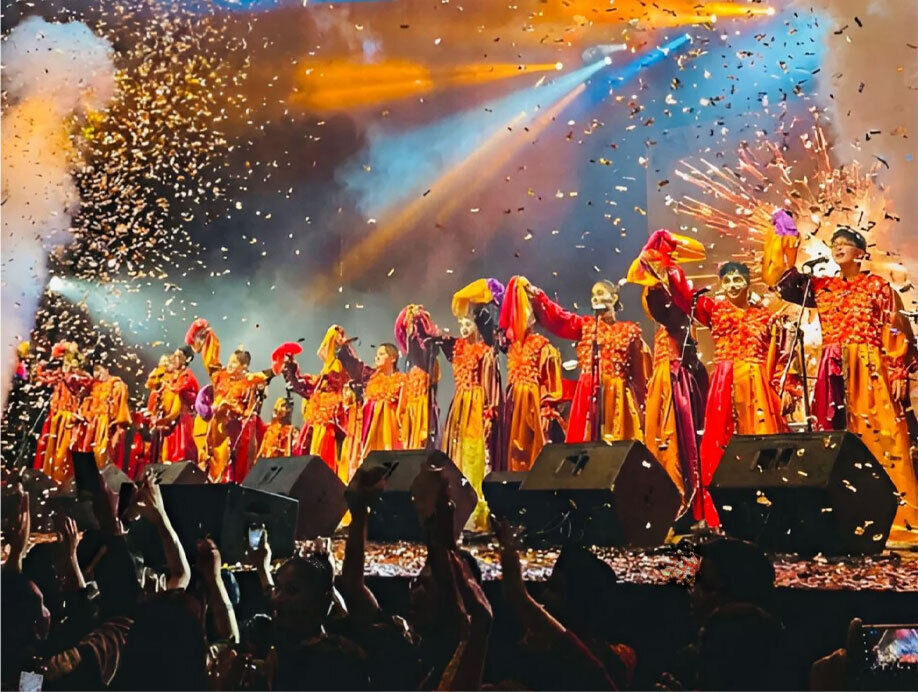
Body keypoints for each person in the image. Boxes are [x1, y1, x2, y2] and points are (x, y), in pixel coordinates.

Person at [765, 217, 918, 544]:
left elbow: (893, 326)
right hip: (831, 369)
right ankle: (840, 516)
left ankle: (897, 519)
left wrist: (898, 370)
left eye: (845, 241)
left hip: (869, 366)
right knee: (833, 439)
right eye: (834, 242)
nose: (837, 245)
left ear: (861, 252)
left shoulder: (877, 285)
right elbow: (784, 284)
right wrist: (785, 243)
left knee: (881, 436)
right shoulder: (824, 286)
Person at [649, 248, 798, 526]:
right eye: (727, 280)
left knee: (762, 443)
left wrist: (787, 386)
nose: (732, 285)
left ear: (748, 282)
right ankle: (720, 514)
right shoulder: (714, 310)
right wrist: (671, 266)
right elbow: (683, 295)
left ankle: (771, 515)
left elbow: (780, 355)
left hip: (756, 385)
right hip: (724, 382)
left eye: (737, 280)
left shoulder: (765, 317)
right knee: (719, 444)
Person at [627, 229, 709, 513]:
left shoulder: (681, 310)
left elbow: (666, 309)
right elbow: (657, 305)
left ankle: (683, 501)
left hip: (678, 381)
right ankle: (663, 503)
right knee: (659, 439)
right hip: (662, 381)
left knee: (677, 438)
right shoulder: (662, 308)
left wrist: (667, 275)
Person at [529, 278, 652, 444]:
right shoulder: (585, 326)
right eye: (593, 295)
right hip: (588, 395)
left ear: (614, 297)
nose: (595, 298)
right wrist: (538, 296)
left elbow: (640, 376)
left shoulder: (630, 332)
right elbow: (561, 319)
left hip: (616, 398)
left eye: (600, 293)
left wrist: (644, 412)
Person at [439, 279, 504, 531]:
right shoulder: (458, 352)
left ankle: (477, 513)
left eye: (468, 323)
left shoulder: (485, 353)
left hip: (476, 404)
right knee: (457, 454)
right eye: (461, 324)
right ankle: (455, 508)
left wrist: (489, 412)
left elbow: (491, 385)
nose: (464, 328)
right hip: (460, 407)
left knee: (475, 456)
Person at [186, 318, 271, 482]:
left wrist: (233, 409)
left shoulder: (249, 383)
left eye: (234, 363)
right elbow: (211, 361)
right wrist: (209, 336)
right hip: (216, 428)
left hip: (235, 428)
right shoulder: (220, 377)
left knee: (230, 464)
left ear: (244, 366)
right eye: (230, 361)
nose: (229, 365)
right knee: (214, 461)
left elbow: (251, 407)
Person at [499, 276, 563, 471]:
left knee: (533, 451)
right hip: (513, 405)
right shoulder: (512, 347)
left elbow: (551, 382)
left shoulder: (542, 346)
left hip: (532, 405)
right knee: (514, 453)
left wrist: (547, 407)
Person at [279, 328, 349, 471]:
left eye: (325, 346)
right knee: (314, 449)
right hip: (319, 415)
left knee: (323, 450)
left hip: (329, 415)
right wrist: (291, 367)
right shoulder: (326, 368)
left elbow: (330, 384)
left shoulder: (336, 365)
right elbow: (306, 387)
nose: (321, 350)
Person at [32, 342, 94, 483]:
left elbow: (82, 384)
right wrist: (39, 366)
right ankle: (48, 480)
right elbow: (41, 379)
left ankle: (61, 481)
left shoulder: (78, 378)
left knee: (62, 453)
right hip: (56, 417)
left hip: (67, 419)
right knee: (50, 449)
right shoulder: (60, 376)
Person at [338, 341, 407, 460]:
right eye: (377, 354)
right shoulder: (371, 379)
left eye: (382, 354)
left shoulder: (402, 381)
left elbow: (404, 410)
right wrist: (344, 347)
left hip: (391, 434)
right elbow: (355, 366)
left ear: (393, 358)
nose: (377, 357)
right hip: (371, 434)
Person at [394, 305, 443, 449]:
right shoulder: (410, 363)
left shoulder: (426, 346)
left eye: (413, 325)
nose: (410, 328)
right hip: (411, 396)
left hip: (423, 396)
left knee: (422, 438)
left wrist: (418, 322)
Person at [78, 363, 132, 469]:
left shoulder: (116, 384)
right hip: (93, 422)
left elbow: (119, 405)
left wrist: (113, 420)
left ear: (107, 370)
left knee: (102, 452)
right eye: (97, 376)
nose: (100, 377)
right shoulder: (95, 385)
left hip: (106, 423)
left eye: (101, 373)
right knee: (86, 449)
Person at [158, 346, 200, 463]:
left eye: (179, 357)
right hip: (170, 420)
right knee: (167, 455)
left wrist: (181, 394)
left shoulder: (188, 376)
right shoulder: (170, 376)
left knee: (182, 452)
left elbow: (197, 398)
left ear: (186, 359)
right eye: (174, 356)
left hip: (182, 419)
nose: (175, 359)